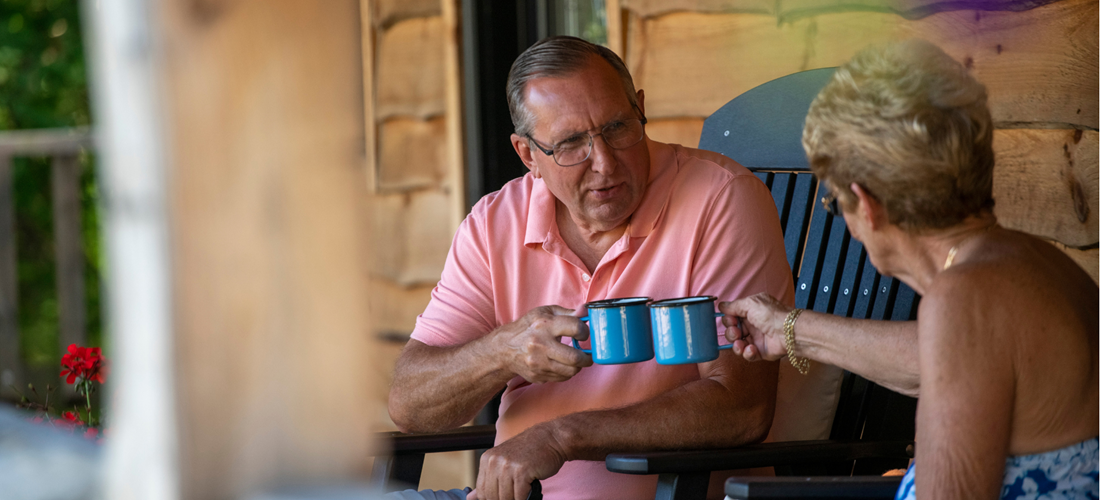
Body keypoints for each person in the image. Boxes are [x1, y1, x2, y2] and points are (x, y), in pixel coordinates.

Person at [387, 36, 794, 500]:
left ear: (640, 108)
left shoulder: (719, 199)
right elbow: (411, 405)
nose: (604, 163)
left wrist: (561, 437)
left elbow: (741, 406)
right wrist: (503, 350)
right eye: (571, 144)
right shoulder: (493, 223)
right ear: (527, 156)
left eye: (618, 127)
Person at [720, 39, 1099, 499]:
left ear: (866, 203)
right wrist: (788, 328)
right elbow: (937, 360)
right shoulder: (1030, 265)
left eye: (834, 202)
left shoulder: (964, 298)